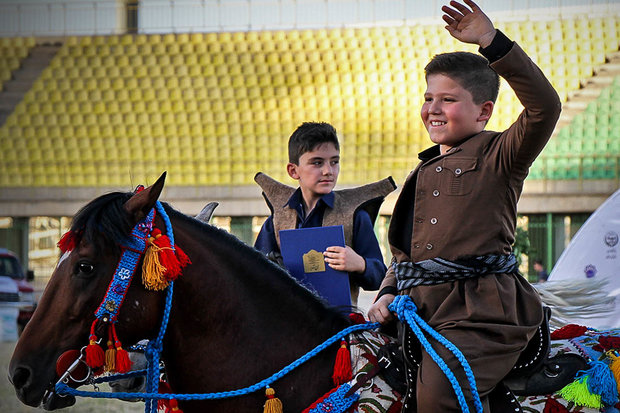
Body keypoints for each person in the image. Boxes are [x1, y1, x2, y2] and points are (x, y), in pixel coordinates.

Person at [367, 1, 561, 412]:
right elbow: (406, 254)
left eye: (448, 100)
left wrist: (491, 42)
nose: (433, 109)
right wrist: (385, 292)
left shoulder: (501, 154)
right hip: (422, 309)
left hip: (482, 316)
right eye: (428, 98)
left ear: (484, 111)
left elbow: (545, 107)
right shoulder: (423, 170)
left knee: (438, 394)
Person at [254, 121, 396, 307]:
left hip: (340, 323)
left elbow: (379, 276)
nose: (328, 171)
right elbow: (256, 274)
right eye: (317, 162)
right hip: (290, 322)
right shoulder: (277, 220)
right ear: (293, 170)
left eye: (334, 162)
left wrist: (360, 264)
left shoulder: (355, 216)